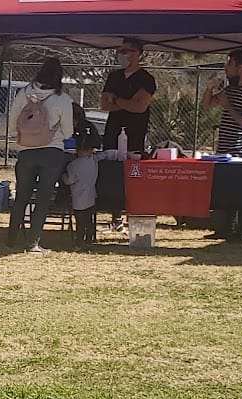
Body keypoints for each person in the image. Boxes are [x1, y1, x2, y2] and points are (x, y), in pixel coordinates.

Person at [6, 57, 74, 254]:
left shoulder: (24, 93)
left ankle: (11, 237)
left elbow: (12, 121)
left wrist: (19, 137)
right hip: (51, 151)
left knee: (22, 196)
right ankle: (33, 242)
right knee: (43, 198)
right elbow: (68, 132)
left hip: (26, 150)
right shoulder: (63, 99)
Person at [200, 48, 242, 242]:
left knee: (241, 193)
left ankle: (240, 232)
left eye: (229, 64)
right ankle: (225, 228)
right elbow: (207, 104)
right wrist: (210, 87)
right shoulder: (229, 90)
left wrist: (228, 106)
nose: (226, 68)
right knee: (225, 191)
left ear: (240, 67)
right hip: (224, 150)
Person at [100, 37, 156, 232]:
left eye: (128, 51)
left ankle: (136, 217)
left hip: (135, 134)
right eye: (120, 51)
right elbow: (105, 104)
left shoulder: (146, 79)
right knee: (114, 174)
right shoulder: (113, 76)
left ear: (138, 54)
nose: (123, 54)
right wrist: (124, 102)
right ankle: (115, 218)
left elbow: (140, 106)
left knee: (134, 175)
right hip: (112, 133)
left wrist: (118, 100)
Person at [62, 131, 99, 249]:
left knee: (80, 222)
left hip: (78, 198)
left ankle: (79, 241)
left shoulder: (73, 165)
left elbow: (69, 180)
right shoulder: (93, 161)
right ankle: (90, 238)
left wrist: (62, 176)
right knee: (89, 220)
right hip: (91, 196)